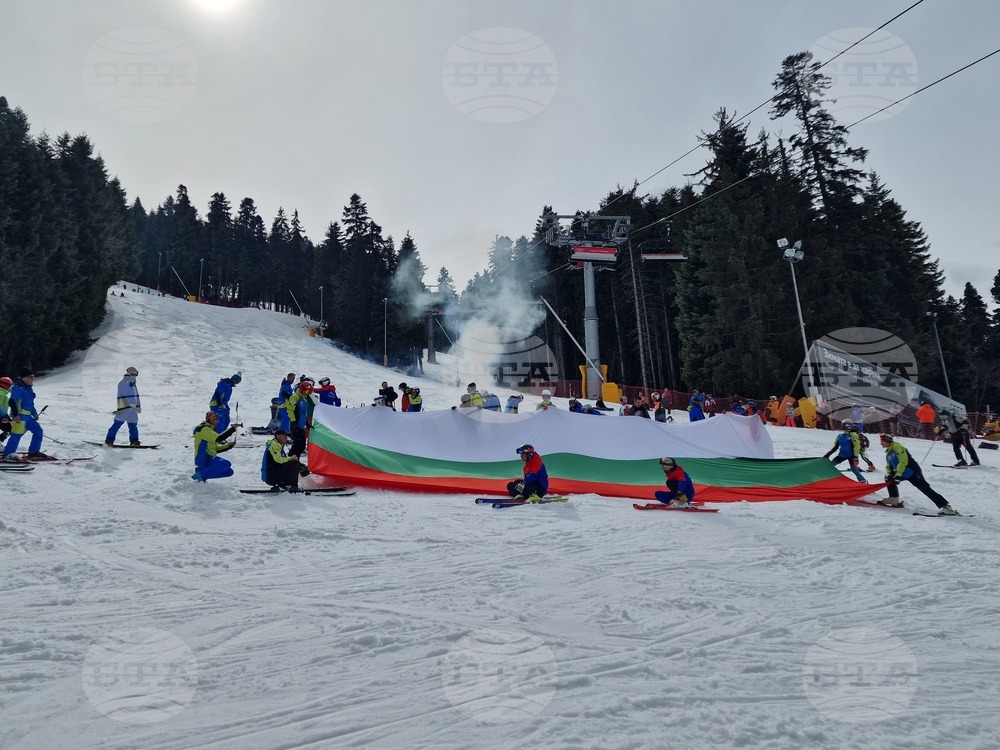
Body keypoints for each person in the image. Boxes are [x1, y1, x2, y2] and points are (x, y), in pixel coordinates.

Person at [877, 433, 959, 515]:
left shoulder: (897, 447)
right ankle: (893, 498)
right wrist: (889, 475)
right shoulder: (889, 453)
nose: (880, 443)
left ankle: (947, 507)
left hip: (913, 472)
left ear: (887, 441)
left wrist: (898, 475)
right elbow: (889, 466)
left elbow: (903, 462)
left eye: (882, 441)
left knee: (925, 489)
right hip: (903, 473)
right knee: (889, 479)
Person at [1, 369, 48, 460]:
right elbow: (12, 402)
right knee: (17, 434)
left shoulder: (29, 388)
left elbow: (30, 404)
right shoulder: (18, 388)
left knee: (38, 431)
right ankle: (8, 454)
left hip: (28, 417)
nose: (32, 379)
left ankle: (34, 452)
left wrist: (34, 414)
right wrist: (15, 415)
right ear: (23, 378)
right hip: (20, 416)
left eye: (33, 377)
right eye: (30, 377)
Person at [191, 411, 237, 482]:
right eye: (217, 419)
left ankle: (201, 474)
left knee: (229, 472)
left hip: (208, 457)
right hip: (203, 457)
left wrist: (228, 446)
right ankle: (199, 476)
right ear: (211, 419)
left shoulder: (209, 430)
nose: (218, 422)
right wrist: (232, 429)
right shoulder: (204, 429)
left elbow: (215, 449)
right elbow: (219, 438)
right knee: (225, 463)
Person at [105, 366, 142, 446]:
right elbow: (122, 395)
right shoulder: (124, 383)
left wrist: (138, 406)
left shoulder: (133, 384)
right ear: (129, 373)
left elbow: (136, 396)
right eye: (133, 374)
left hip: (133, 409)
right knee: (117, 424)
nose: (135, 376)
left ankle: (134, 441)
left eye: (136, 374)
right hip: (125, 409)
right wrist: (123, 408)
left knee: (133, 426)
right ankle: (109, 440)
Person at [286, 381, 313, 456]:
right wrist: (293, 422)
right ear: (302, 390)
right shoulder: (295, 397)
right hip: (296, 425)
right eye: (306, 391)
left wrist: (307, 423)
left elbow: (303, 413)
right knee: (297, 445)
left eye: (309, 392)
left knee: (301, 446)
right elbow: (290, 410)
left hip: (301, 425)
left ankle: (295, 460)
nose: (307, 393)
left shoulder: (304, 399)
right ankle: (291, 460)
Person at [0, 376, 12, 444]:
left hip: (2, 415)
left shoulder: (3, 392)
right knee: (10, 428)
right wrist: (4, 415)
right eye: (9, 385)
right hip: (2, 415)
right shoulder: (1, 393)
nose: (10, 387)